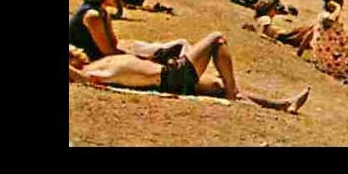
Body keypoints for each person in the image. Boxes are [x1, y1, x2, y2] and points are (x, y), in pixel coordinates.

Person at [70, 38, 310, 113]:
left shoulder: (98, 62)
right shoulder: (92, 73)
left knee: (216, 84)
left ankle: (281, 105)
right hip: (170, 76)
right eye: (72, 52)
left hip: (168, 75)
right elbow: (83, 80)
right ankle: (233, 94)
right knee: (217, 39)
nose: (78, 50)